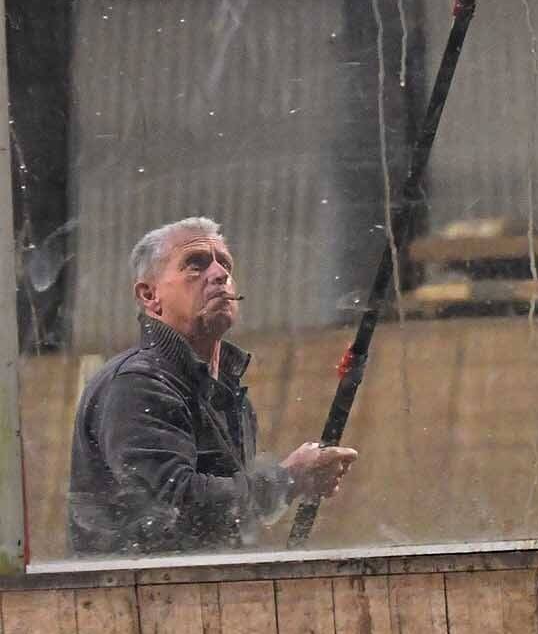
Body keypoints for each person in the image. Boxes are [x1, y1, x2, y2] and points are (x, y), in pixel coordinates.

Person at [68, 217, 358, 555]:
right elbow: (176, 507)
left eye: (226, 265)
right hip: (142, 601)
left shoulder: (228, 394)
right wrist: (288, 481)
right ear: (149, 295)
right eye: (196, 265)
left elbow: (227, 521)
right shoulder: (137, 384)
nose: (221, 275)